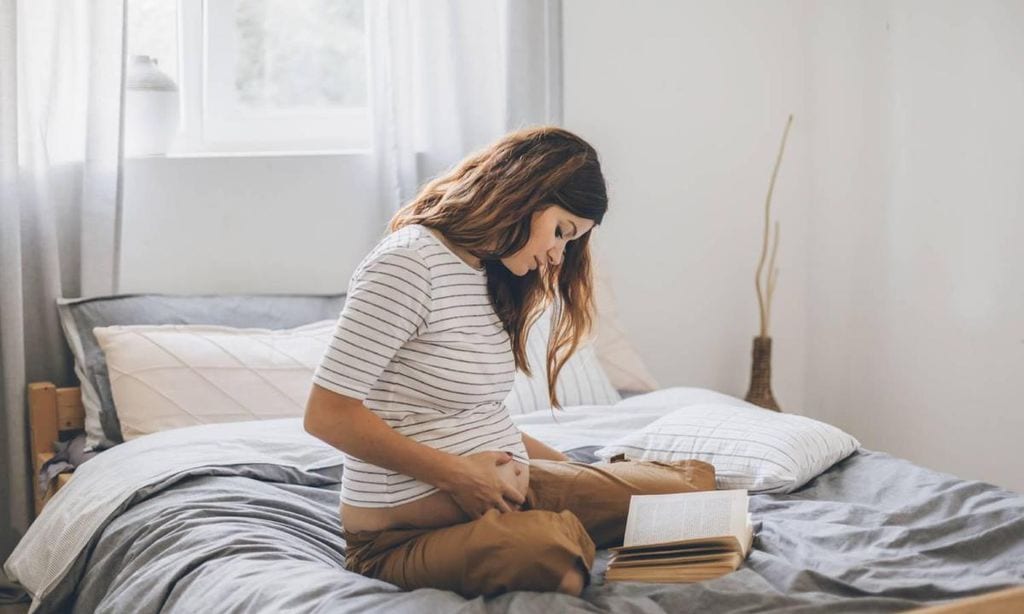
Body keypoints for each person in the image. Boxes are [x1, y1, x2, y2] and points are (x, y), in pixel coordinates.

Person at [304, 126, 715, 599]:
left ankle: (559, 523)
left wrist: (578, 478)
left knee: (687, 499)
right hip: (405, 536)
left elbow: (475, 413)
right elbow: (327, 416)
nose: (558, 256)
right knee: (552, 557)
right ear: (523, 192)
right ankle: (554, 532)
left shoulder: (488, 273)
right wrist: (459, 476)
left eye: (572, 242)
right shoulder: (408, 264)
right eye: (561, 232)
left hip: (509, 492)